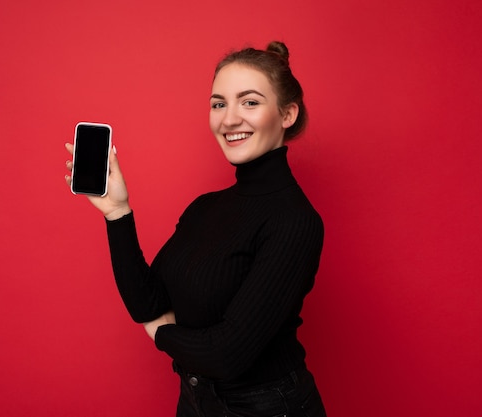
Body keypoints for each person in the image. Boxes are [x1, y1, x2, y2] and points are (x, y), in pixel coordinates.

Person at [65, 41, 327, 417]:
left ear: (287, 114)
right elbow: (148, 301)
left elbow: (226, 354)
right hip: (195, 400)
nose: (229, 119)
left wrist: (160, 333)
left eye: (249, 102)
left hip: (268, 407)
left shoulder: (295, 220)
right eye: (219, 104)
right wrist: (117, 212)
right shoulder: (206, 207)